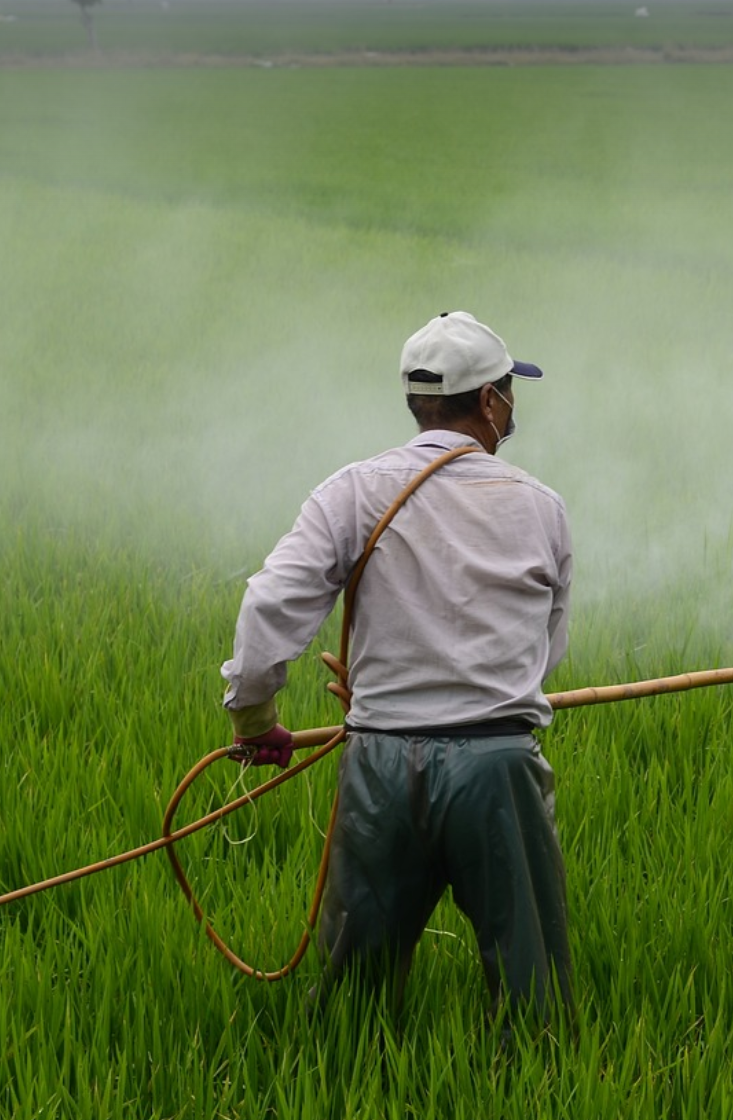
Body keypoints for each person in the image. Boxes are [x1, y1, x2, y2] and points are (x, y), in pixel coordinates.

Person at [220, 310, 574, 1032]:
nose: (510, 405)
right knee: (531, 987)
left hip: (380, 761)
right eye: (508, 390)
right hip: (497, 765)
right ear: (487, 401)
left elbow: (269, 604)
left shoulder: (352, 490)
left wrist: (255, 720)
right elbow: (544, 654)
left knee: (355, 996)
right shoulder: (540, 507)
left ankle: (343, 1084)